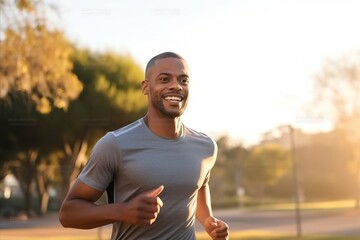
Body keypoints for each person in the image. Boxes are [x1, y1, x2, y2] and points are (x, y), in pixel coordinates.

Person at [59, 52, 229, 240]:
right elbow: (68, 214)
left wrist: (208, 221)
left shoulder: (205, 146)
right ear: (146, 87)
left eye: (183, 80)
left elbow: (199, 186)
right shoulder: (114, 144)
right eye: (164, 79)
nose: (176, 86)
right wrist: (122, 211)